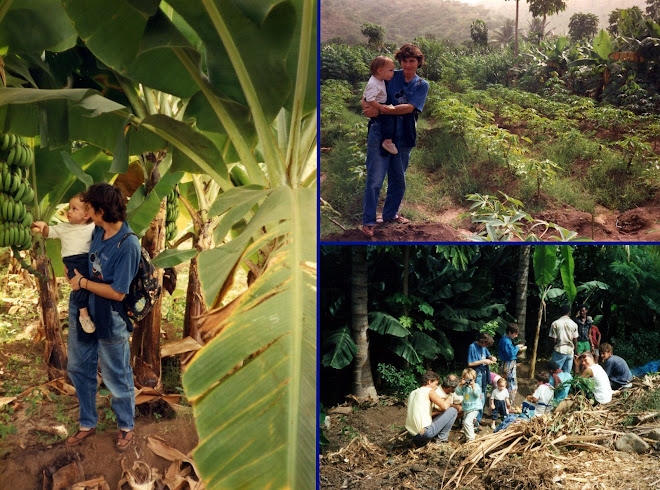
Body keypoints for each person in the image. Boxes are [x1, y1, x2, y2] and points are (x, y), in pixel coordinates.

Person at [64, 183, 141, 452]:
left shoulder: (128, 245)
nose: (85, 212)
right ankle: (87, 422)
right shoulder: (96, 229)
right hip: (83, 306)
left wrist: (83, 282)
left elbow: (118, 293)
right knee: (77, 365)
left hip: (110, 313)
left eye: (89, 208)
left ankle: (126, 426)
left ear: (100, 211)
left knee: (115, 373)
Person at [360, 43, 430, 237]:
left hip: (404, 134)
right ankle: (368, 221)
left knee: (398, 179)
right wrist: (366, 106)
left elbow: (410, 108)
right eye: (404, 61)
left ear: (418, 63)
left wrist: (384, 109)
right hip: (380, 131)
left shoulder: (421, 85)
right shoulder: (391, 75)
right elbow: (368, 92)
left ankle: (390, 214)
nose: (407, 65)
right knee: (375, 178)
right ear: (400, 61)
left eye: (412, 61)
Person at [32, 194, 97, 333]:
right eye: (69, 207)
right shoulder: (63, 227)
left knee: (90, 284)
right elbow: (49, 232)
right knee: (78, 286)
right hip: (72, 261)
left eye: (74, 209)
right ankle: (83, 314)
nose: (69, 211)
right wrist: (43, 226)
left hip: (88, 260)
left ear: (86, 215)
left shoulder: (93, 227)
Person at [405, 371, 459, 446]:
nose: (436, 387)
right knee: (453, 411)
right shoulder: (429, 391)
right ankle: (441, 440)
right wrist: (449, 396)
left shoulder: (413, 392)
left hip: (411, 433)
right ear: (429, 382)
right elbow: (445, 406)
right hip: (424, 433)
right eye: (436, 384)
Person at [363, 56, 398, 155]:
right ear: (380, 70)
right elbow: (369, 99)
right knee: (388, 122)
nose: (393, 73)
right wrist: (380, 107)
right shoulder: (374, 84)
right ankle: (387, 142)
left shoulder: (378, 79)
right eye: (391, 70)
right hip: (378, 104)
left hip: (380, 103)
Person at [467, 332, 496, 426]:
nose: (486, 346)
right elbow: (470, 364)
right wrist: (483, 361)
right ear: (481, 341)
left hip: (484, 372)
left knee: (483, 394)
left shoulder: (484, 347)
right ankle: (474, 421)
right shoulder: (472, 347)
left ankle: (478, 419)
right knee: (477, 395)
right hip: (477, 373)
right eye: (485, 344)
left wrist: (491, 358)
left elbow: (487, 355)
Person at [497, 324, 526, 405]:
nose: (516, 335)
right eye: (515, 334)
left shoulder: (505, 339)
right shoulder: (506, 341)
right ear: (509, 332)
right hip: (508, 364)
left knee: (505, 382)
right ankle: (509, 402)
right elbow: (510, 353)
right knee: (511, 383)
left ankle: (505, 402)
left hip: (507, 363)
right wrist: (517, 348)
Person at [549, 304, 578, 375]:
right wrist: (575, 352)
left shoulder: (555, 323)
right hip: (570, 351)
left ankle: (554, 386)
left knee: (554, 373)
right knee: (567, 375)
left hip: (559, 350)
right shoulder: (574, 324)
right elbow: (575, 340)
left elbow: (553, 340)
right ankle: (566, 386)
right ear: (569, 312)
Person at [455, 368, 482, 442]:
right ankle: (467, 436)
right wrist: (461, 384)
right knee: (466, 424)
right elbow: (458, 393)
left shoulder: (476, 386)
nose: (468, 382)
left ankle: (471, 439)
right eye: (467, 379)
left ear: (474, 379)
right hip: (466, 408)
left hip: (474, 408)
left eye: (470, 380)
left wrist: (473, 387)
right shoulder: (464, 387)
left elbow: (477, 395)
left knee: (467, 422)